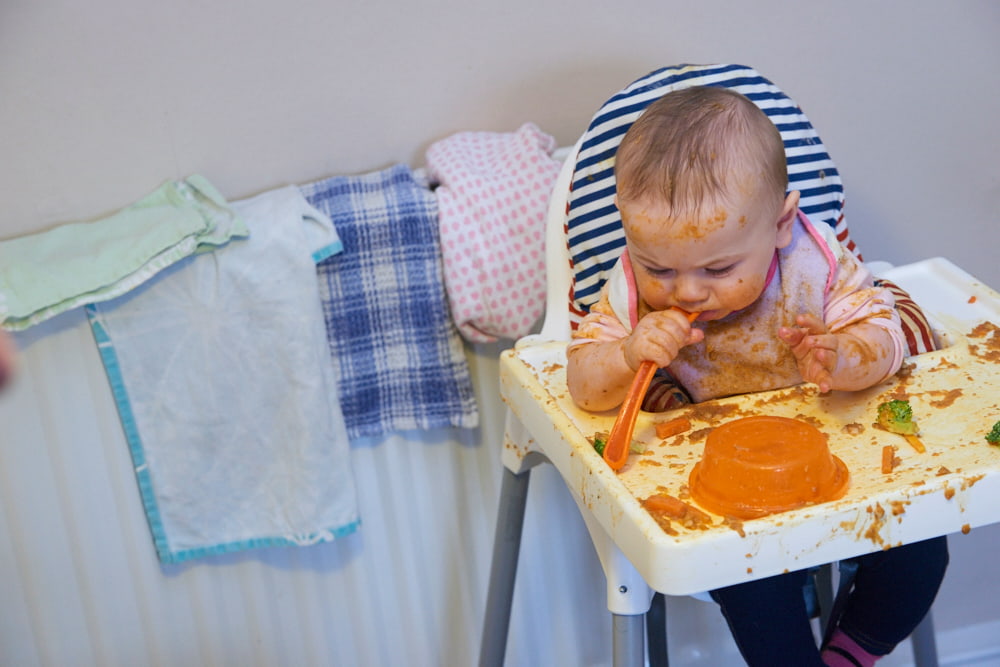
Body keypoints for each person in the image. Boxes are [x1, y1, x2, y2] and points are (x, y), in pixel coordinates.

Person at [565, 86, 948, 666]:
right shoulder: (629, 290)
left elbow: (886, 334)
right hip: (728, 488)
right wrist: (626, 354)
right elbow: (581, 386)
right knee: (751, 581)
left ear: (780, 224)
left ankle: (847, 656)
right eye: (658, 268)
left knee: (922, 550)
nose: (687, 291)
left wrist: (845, 356)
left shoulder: (814, 265)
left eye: (718, 268)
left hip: (840, 449)